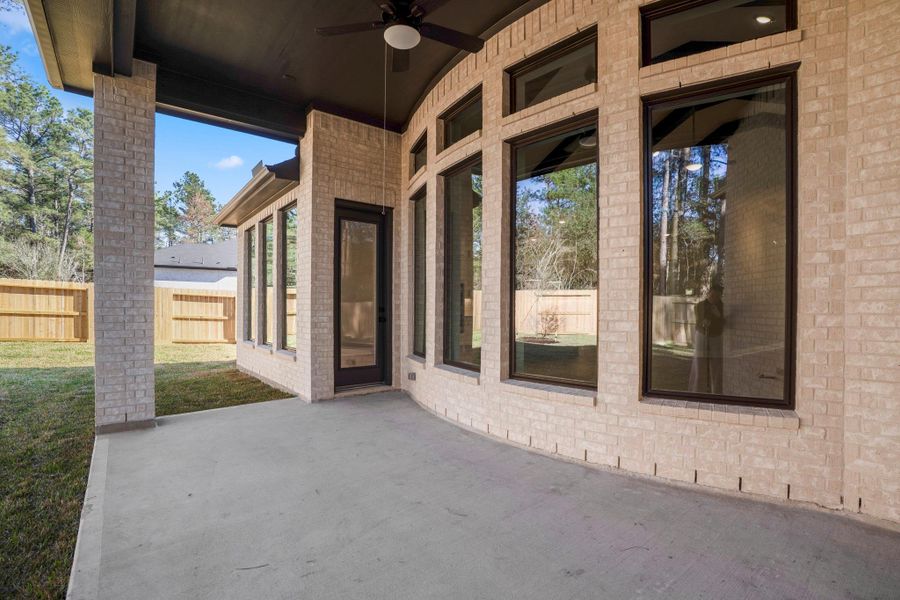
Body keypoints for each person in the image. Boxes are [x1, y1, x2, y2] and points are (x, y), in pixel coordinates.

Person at [689, 282, 724, 394]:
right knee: (700, 365)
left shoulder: (723, 306)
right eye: (712, 295)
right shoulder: (700, 305)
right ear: (708, 293)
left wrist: (718, 315)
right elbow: (698, 322)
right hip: (702, 336)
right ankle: (698, 392)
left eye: (717, 296)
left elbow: (725, 323)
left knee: (717, 367)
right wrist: (703, 323)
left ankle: (717, 393)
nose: (714, 298)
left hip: (716, 337)